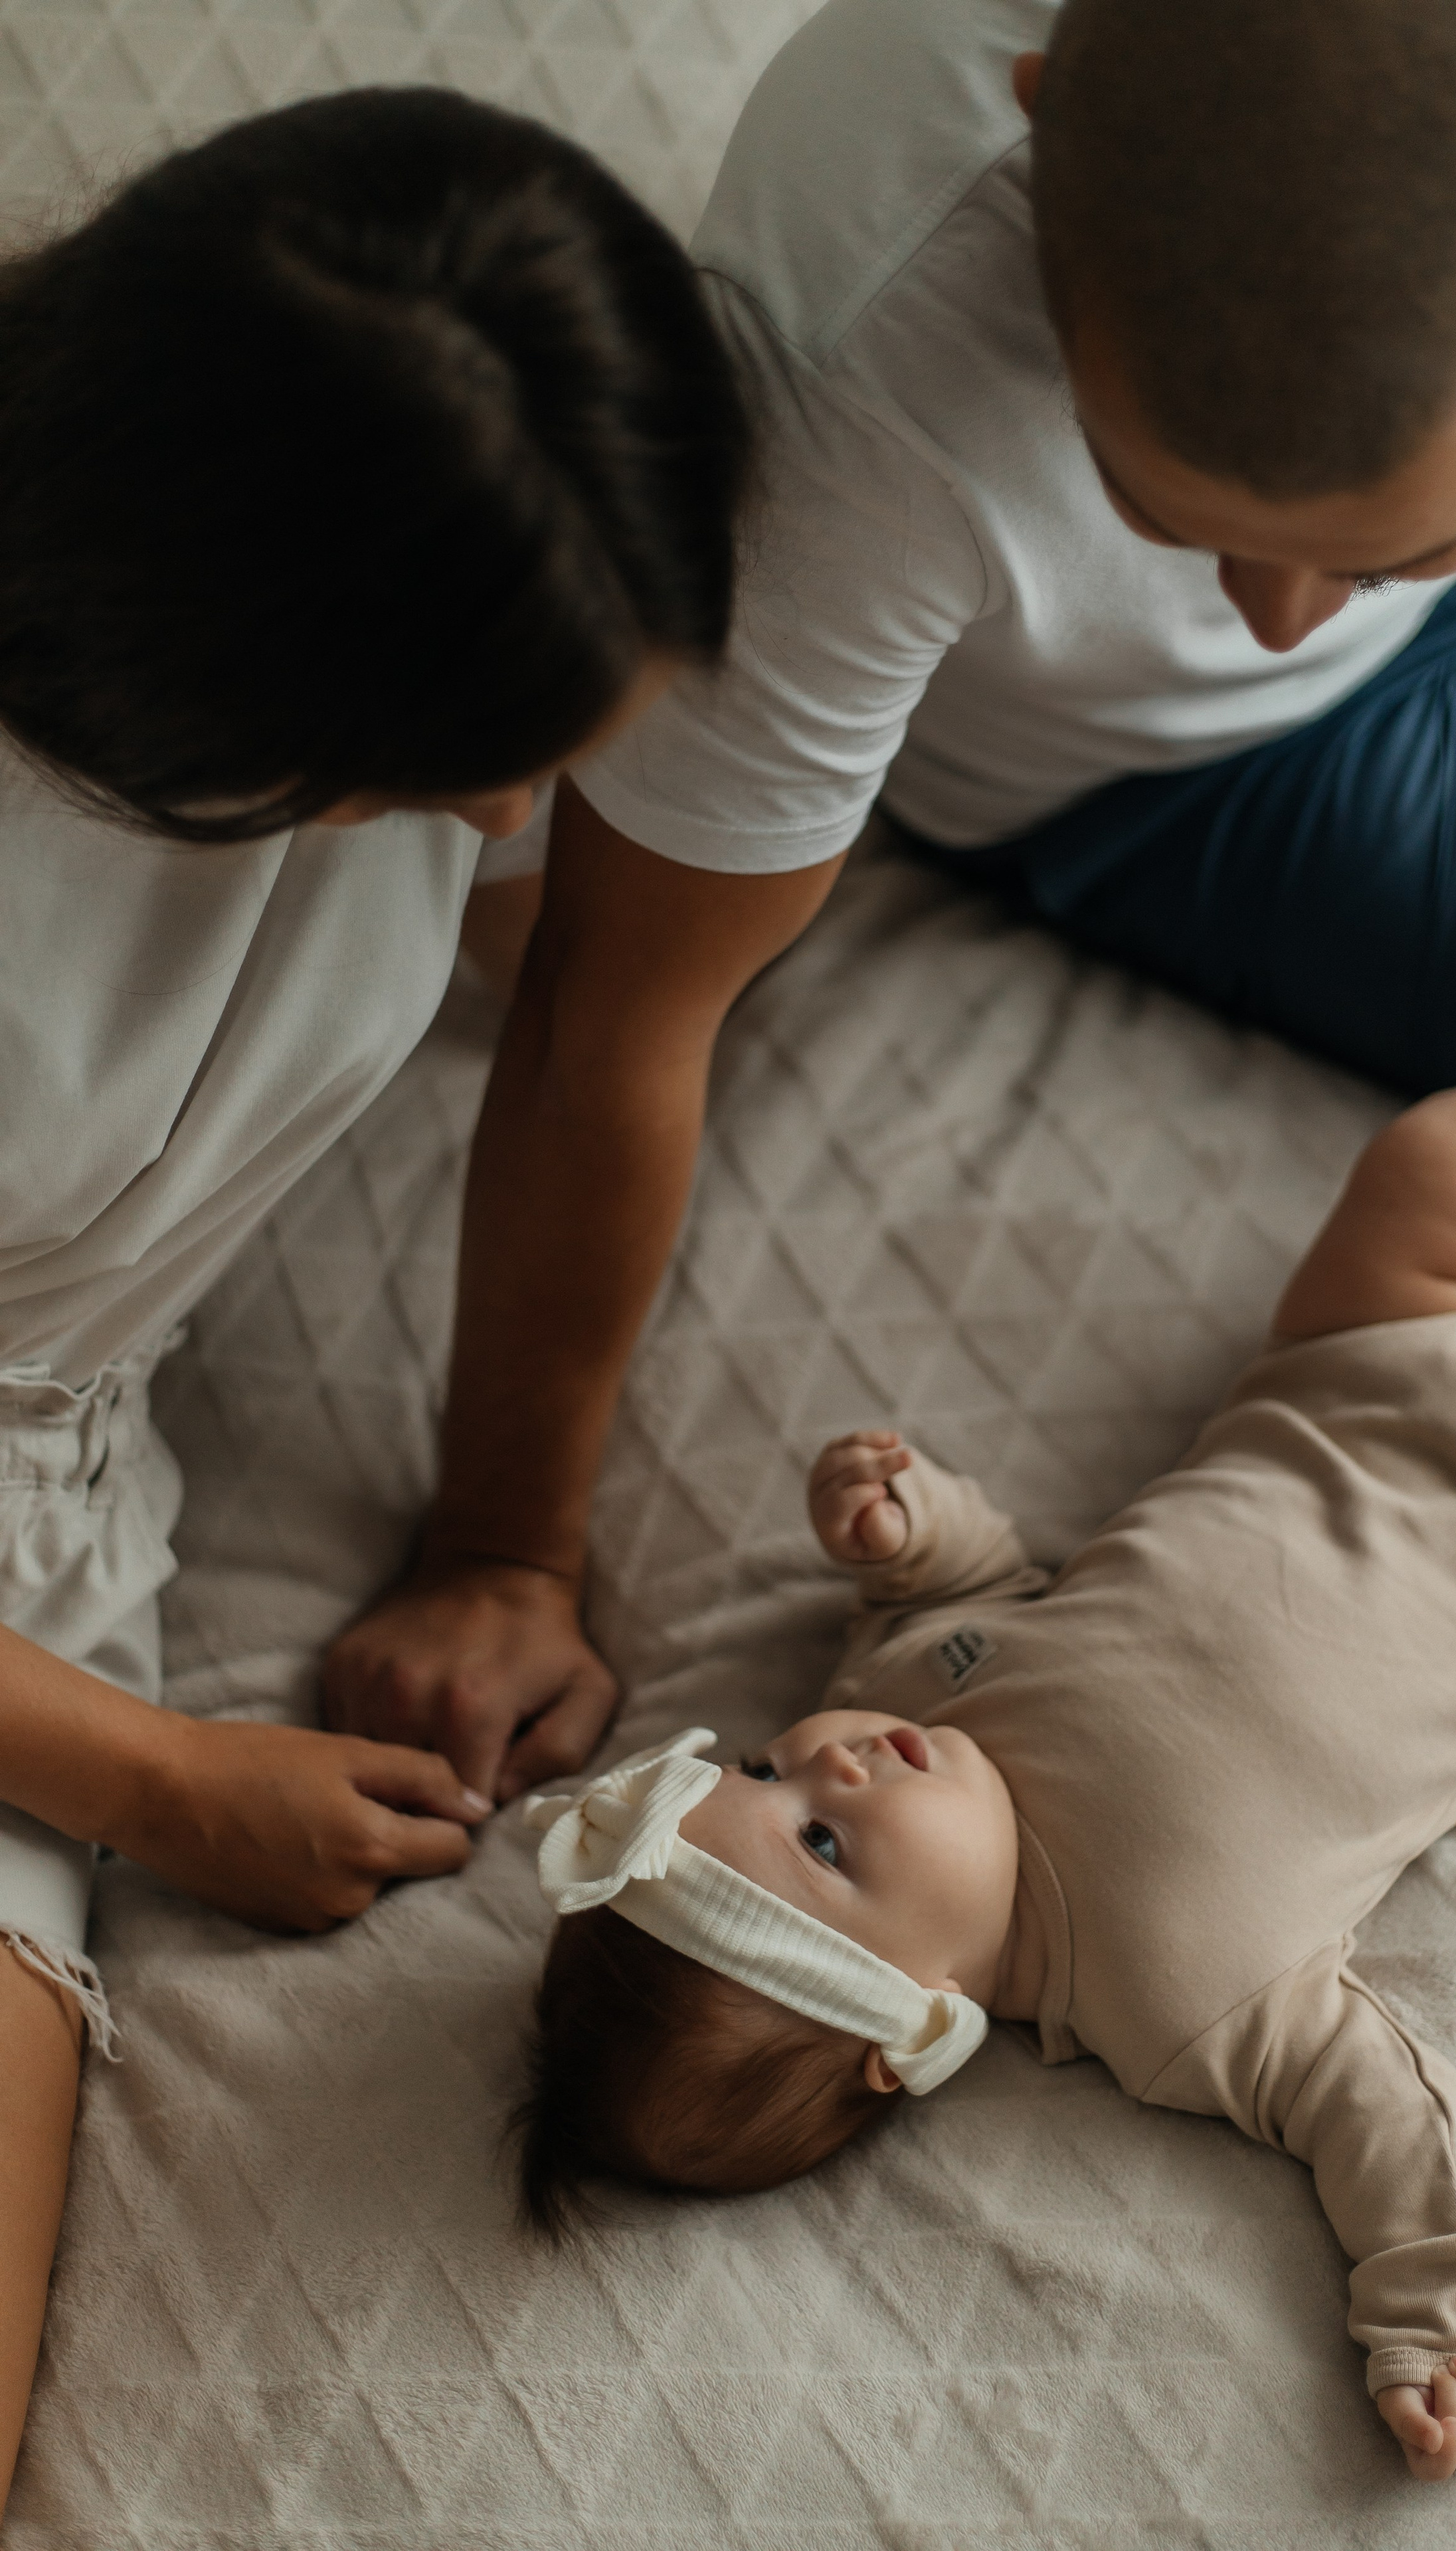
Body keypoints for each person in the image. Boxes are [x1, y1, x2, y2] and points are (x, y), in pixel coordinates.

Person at [325, 0, 1456, 1843]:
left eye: (1368, 552)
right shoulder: (863, 357)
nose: (1274, 609)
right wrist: (501, 1547)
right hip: (1185, 776)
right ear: (1040, 136)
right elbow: (618, 1003)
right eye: (1176, 514)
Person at [0, 85, 748, 2512]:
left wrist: (513, 1539)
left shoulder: (419, 639)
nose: (507, 837)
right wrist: (157, 1780)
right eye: (453, 787)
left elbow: (597, 993)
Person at [512, 1044, 1456, 2483]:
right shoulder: (1174, 1988)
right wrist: (1431, 2308)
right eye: (822, 1847)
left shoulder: (904, 1692)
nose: (830, 1766)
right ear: (916, 2027)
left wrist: (903, 1527)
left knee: (1437, 1165)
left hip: (1346, 1374)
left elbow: (968, 1588)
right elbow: (1374, 2108)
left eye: (762, 1766)